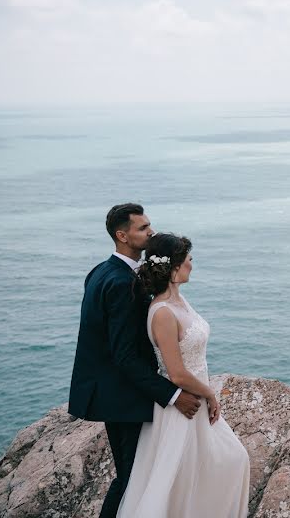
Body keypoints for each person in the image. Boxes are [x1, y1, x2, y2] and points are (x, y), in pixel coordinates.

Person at [68, 203, 202, 518]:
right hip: (122, 398)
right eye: (143, 228)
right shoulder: (120, 284)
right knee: (131, 478)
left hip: (111, 392)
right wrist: (173, 395)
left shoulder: (102, 271)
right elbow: (125, 356)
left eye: (149, 225)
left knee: (134, 475)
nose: (151, 232)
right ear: (122, 235)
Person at [117, 232, 250, 517]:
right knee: (176, 482)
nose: (192, 262)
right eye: (188, 258)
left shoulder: (180, 300)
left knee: (230, 460)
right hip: (181, 407)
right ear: (175, 268)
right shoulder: (163, 312)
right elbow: (176, 373)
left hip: (197, 401)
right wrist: (210, 393)